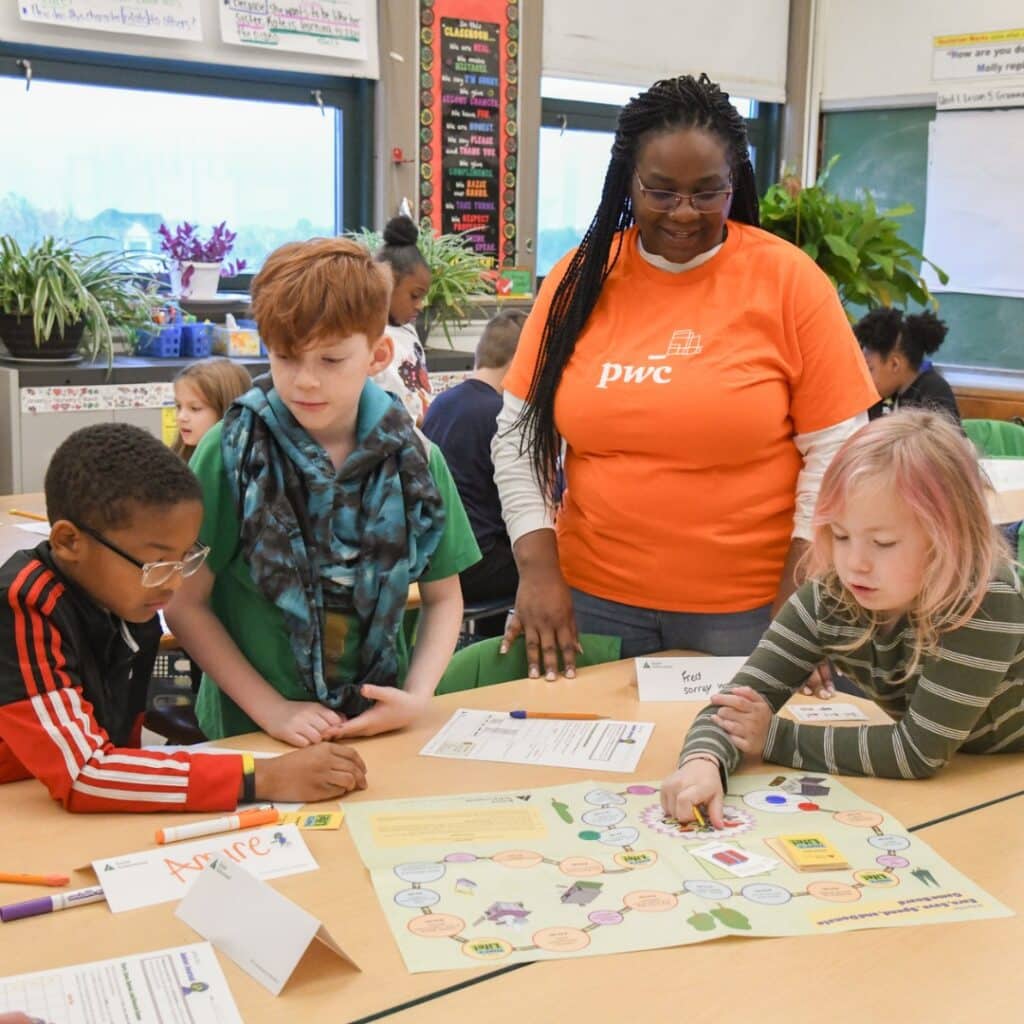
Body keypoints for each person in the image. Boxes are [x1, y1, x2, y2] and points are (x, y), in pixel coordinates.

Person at [493, 74, 878, 680]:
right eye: (661, 191)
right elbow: (519, 439)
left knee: (734, 746)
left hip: (751, 610)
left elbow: (838, 451)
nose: (683, 213)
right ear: (628, 181)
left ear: (734, 183)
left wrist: (801, 593)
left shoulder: (790, 281)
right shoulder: (579, 280)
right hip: (591, 600)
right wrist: (537, 571)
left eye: (707, 192)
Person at [165, 238, 480, 746]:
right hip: (253, 732)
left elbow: (444, 599)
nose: (305, 382)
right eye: (286, 357)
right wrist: (272, 710)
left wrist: (416, 696)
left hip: (378, 723)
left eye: (331, 360)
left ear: (377, 355)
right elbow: (184, 604)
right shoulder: (230, 451)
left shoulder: (417, 458)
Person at [662, 410, 1024, 827]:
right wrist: (703, 762)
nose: (855, 563)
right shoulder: (832, 594)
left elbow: (918, 752)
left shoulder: (985, 597)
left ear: (949, 538)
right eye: (840, 535)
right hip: (971, 773)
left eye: (883, 543)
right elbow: (738, 704)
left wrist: (775, 738)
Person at [0, 424, 368, 812]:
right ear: (69, 542)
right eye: (158, 563)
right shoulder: (23, 605)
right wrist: (261, 777)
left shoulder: (130, 597)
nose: (174, 583)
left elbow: (118, 745)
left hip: (67, 803)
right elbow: (86, 774)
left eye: (185, 558)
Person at [423, 309, 528, 628]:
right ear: (520, 363)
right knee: (555, 568)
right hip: (477, 566)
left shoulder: (442, 403)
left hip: (438, 559)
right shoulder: (502, 415)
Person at [373, 215, 434, 423]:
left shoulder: (408, 329)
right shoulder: (370, 338)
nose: (420, 305)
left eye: (422, 297)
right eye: (414, 296)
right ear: (386, 285)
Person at [855, 307, 960, 424]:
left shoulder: (934, 392)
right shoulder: (886, 393)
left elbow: (944, 435)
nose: (865, 379)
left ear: (895, 364)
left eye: (870, 369)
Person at [172, 356, 253, 461]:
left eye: (195, 408)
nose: (181, 417)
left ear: (226, 411)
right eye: (178, 406)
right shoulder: (173, 457)